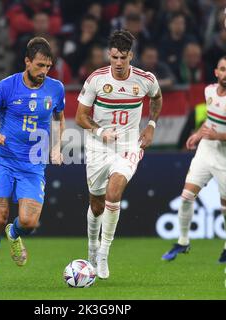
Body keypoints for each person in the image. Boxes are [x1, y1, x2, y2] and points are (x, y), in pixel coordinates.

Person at [0, 37, 65, 287]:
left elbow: (59, 118)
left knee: (28, 222)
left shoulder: (56, 88)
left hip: (33, 165)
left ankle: (14, 234)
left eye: (48, 66)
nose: (44, 72)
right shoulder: (6, 86)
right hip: (2, 161)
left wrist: (56, 147)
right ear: (27, 61)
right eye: (39, 65)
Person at [75, 30, 162, 279]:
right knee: (97, 203)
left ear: (131, 56)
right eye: (115, 57)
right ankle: (92, 247)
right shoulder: (96, 80)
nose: (119, 63)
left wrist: (151, 125)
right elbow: (80, 116)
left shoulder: (145, 79)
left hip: (128, 145)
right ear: (109, 55)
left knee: (114, 192)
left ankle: (103, 253)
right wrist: (99, 130)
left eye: (124, 57)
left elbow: (157, 99)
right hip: (98, 146)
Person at [162, 56, 226, 263]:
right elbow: (211, 121)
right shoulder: (209, 91)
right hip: (206, 151)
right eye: (223, 69)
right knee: (186, 196)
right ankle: (183, 241)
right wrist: (197, 135)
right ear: (216, 72)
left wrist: (219, 136)